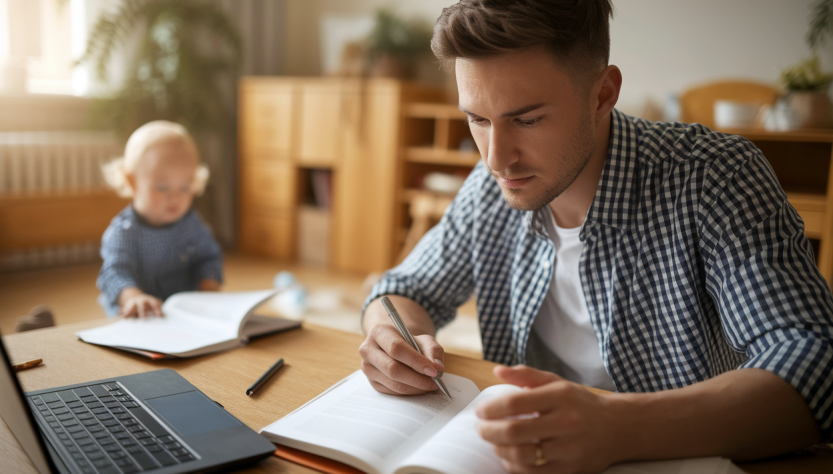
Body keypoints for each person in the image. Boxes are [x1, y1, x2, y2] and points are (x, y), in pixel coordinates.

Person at [359, 1, 833, 472]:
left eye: (526, 119)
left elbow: (815, 362)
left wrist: (616, 428)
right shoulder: (489, 189)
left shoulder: (714, 177)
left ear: (603, 94)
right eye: (478, 119)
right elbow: (402, 290)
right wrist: (390, 337)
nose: (496, 159)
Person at [97, 121, 223, 318]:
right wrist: (133, 297)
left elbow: (208, 258)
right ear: (132, 182)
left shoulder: (191, 223)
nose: (175, 197)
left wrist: (208, 288)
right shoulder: (124, 231)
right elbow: (115, 272)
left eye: (185, 187)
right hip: (141, 316)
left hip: (183, 312)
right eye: (162, 187)